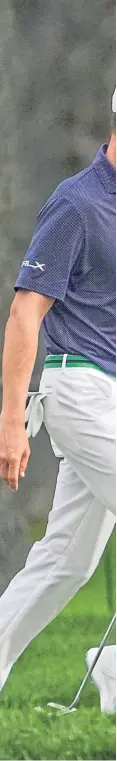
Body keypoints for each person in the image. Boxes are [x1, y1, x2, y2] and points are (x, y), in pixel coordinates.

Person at [0, 87, 116, 707]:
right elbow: (25, 313)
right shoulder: (77, 205)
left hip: (113, 396)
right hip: (75, 389)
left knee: (64, 563)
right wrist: (11, 420)